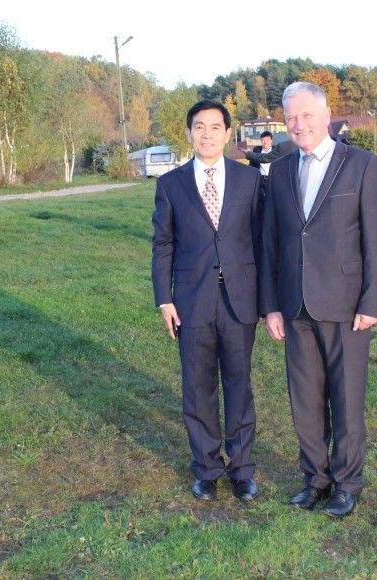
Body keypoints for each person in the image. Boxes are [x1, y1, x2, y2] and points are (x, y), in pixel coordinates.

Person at [260, 81, 377, 519]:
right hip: (294, 305)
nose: (299, 125)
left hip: (347, 305)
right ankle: (314, 479)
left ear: (326, 115)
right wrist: (270, 305)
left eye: (306, 115)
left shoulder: (362, 165)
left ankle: (346, 483)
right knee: (306, 400)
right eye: (291, 118)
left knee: (346, 399)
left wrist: (372, 302)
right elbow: (270, 242)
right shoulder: (280, 170)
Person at [151, 100, 262, 502]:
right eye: (200, 127)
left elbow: (261, 240)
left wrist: (266, 300)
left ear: (228, 133)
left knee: (239, 386)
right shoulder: (171, 184)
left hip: (239, 300)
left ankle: (242, 469)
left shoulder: (250, 180)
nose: (207, 134)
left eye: (216, 127)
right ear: (189, 133)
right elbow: (163, 244)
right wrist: (164, 299)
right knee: (198, 389)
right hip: (191, 301)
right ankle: (207, 468)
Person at [245, 131, 293, 195]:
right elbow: (252, 164)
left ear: (271, 140)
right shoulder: (257, 150)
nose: (265, 142)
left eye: (267, 140)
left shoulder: (276, 150)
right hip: (260, 179)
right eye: (263, 140)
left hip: (273, 179)